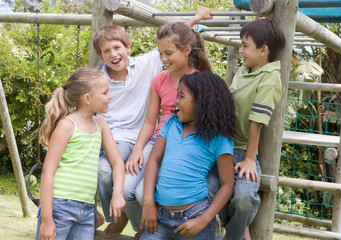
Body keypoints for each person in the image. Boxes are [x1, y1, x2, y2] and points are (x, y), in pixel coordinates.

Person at [92, 9, 212, 238]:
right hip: (135, 138)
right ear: (101, 56)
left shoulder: (151, 66)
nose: (113, 54)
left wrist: (195, 19)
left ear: (128, 47)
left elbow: (175, 41)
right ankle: (129, 221)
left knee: (120, 179)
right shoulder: (102, 79)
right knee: (117, 182)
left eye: (117, 48)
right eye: (106, 51)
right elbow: (150, 120)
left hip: (164, 140)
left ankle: (146, 226)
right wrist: (139, 148)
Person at [207, 18, 286, 240]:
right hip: (222, 147)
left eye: (244, 46)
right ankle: (242, 232)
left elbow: (256, 121)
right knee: (209, 189)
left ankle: (234, 235)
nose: (240, 50)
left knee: (243, 199)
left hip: (244, 151)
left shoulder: (270, 78)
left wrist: (250, 159)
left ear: (263, 50)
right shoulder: (244, 70)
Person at [126, 9, 213, 200]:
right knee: (126, 190)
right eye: (160, 53)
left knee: (143, 195)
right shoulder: (159, 80)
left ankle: (158, 227)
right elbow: (150, 122)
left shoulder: (202, 81)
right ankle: (143, 227)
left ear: (187, 50)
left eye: (168, 53)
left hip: (183, 144)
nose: (163, 59)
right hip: (156, 140)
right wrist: (137, 149)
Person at [140, 71, 236, 240]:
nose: (176, 101)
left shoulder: (219, 138)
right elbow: (153, 161)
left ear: (202, 102)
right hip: (160, 217)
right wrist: (148, 201)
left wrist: (203, 220)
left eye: (181, 96)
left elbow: (227, 185)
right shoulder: (171, 123)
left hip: (195, 218)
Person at [35, 67, 126, 240]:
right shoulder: (67, 125)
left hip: (86, 211)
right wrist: (47, 221)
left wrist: (117, 194)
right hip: (59, 205)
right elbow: (48, 172)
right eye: (105, 92)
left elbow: (117, 163)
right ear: (88, 98)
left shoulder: (101, 125)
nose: (110, 96)